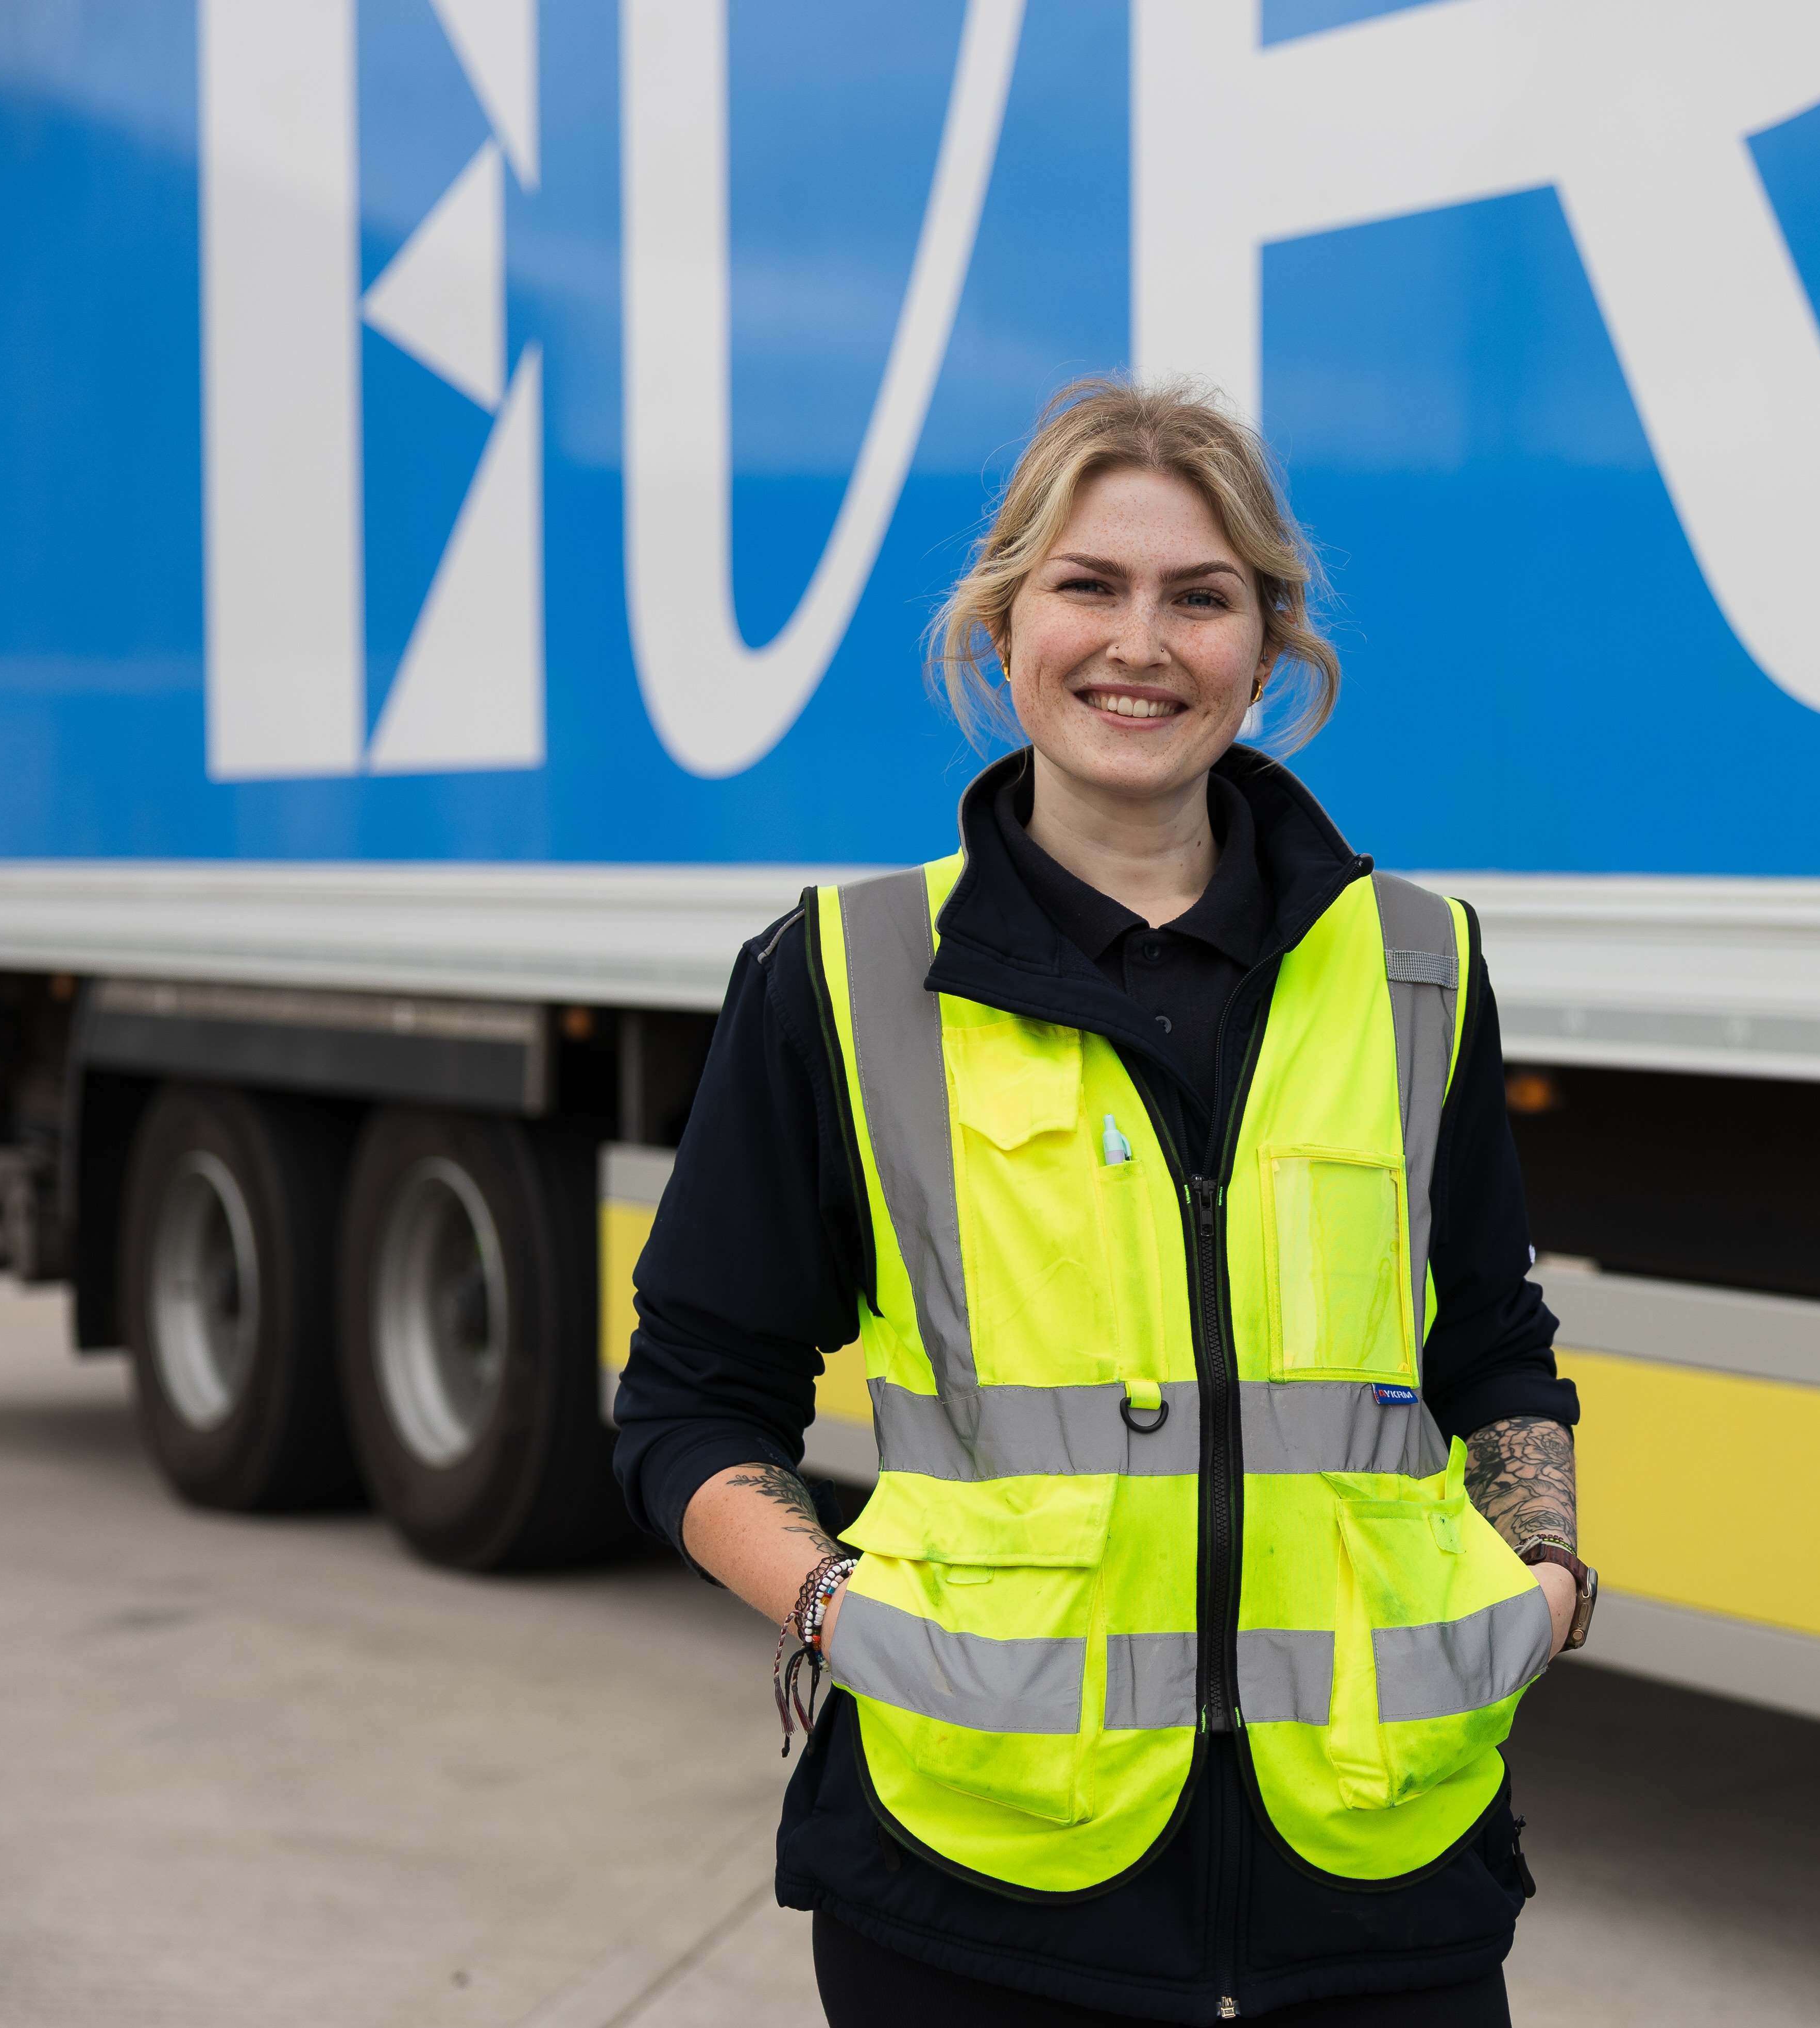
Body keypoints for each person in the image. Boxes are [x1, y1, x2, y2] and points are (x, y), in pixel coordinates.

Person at [613, 378, 1594, 2027]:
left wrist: (1547, 1580)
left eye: (1198, 596)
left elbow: (1491, 1341)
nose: (1140, 641)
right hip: (976, 1897)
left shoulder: (1416, 962)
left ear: (1265, 649)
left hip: (1381, 1886)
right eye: (1089, 586)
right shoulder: (844, 978)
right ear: (1003, 630)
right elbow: (688, 1407)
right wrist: (834, 1611)